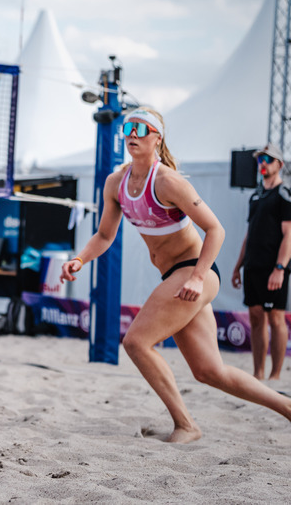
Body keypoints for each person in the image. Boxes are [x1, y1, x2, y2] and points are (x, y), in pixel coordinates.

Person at [60, 108, 291, 443]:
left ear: (158, 137)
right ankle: (287, 407)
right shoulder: (116, 183)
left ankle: (186, 425)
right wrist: (80, 259)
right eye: (128, 127)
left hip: (194, 271)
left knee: (136, 342)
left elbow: (216, 230)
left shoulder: (167, 181)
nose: (132, 133)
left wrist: (197, 277)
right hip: (175, 275)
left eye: (141, 128)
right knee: (210, 371)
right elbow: (105, 236)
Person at [232, 143, 291, 381]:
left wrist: (280, 268)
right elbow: (250, 234)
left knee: (275, 317)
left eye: (268, 159)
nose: (262, 163)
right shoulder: (256, 195)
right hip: (253, 265)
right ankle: (258, 374)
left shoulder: (284, 194)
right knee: (256, 317)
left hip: (273, 266)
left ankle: (275, 376)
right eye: (260, 159)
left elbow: (289, 234)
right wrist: (238, 266)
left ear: (280, 164)